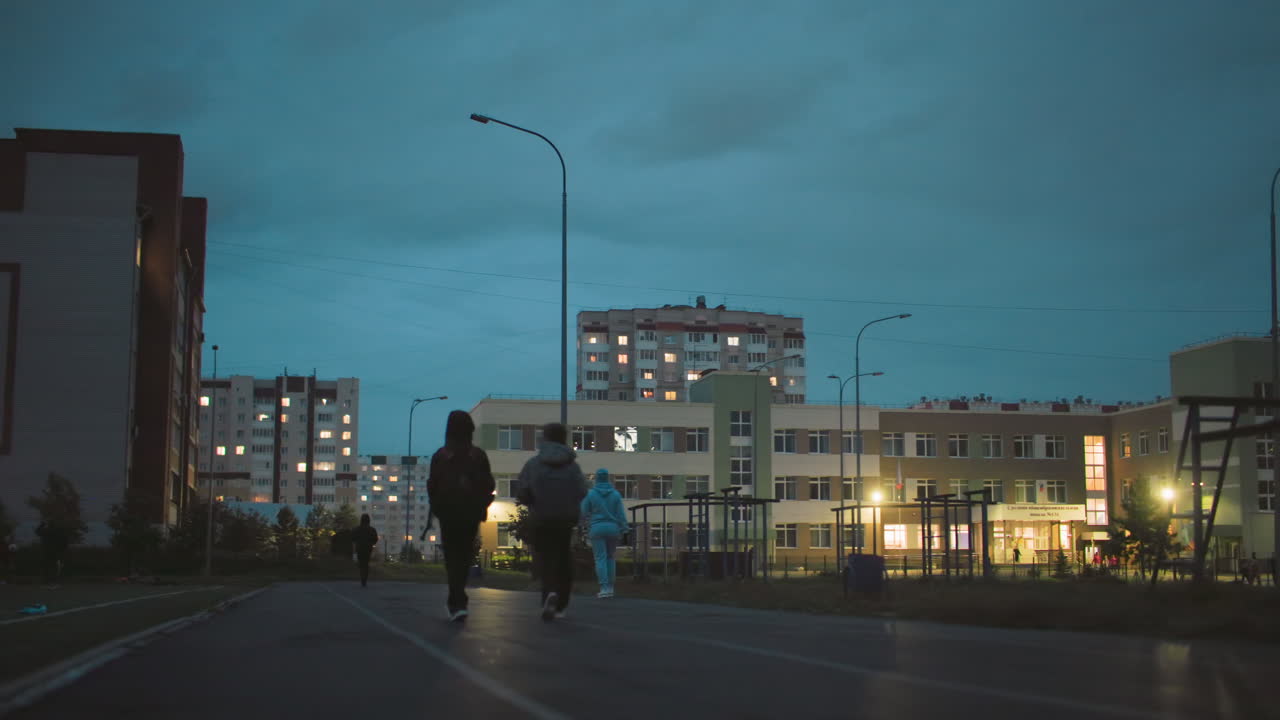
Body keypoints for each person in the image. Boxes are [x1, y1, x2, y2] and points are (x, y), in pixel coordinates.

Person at [427, 410, 495, 622]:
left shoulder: (440, 455)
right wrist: (482, 504)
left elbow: (432, 485)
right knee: (464, 556)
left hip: (448, 513)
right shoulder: (478, 455)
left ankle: (456, 600)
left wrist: (437, 507)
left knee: (452, 557)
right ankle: (458, 600)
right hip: (470, 513)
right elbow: (489, 484)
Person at [517, 422, 588, 621]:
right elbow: (582, 491)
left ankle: (549, 593)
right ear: (564, 439)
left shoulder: (533, 464)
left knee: (545, 557)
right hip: (565, 519)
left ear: (545, 439)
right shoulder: (573, 466)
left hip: (541, 517)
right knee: (564, 556)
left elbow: (522, 490)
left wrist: (531, 500)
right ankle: (561, 602)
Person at [580, 468, 630, 599]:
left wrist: (582, 524)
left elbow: (583, 512)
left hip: (597, 528)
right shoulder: (615, 494)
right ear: (607, 478)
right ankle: (611, 588)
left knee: (600, 558)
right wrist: (624, 528)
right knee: (610, 557)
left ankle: (604, 588)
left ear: (596, 478)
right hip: (613, 529)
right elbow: (621, 514)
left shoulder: (591, 494)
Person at [351, 514, 378, 588]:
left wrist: (357, 542)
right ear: (368, 520)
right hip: (368, 548)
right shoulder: (372, 529)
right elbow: (375, 539)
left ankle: (362, 578)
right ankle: (364, 579)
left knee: (361, 563)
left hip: (359, 548)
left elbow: (352, 537)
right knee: (366, 563)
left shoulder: (357, 529)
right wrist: (371, 543)